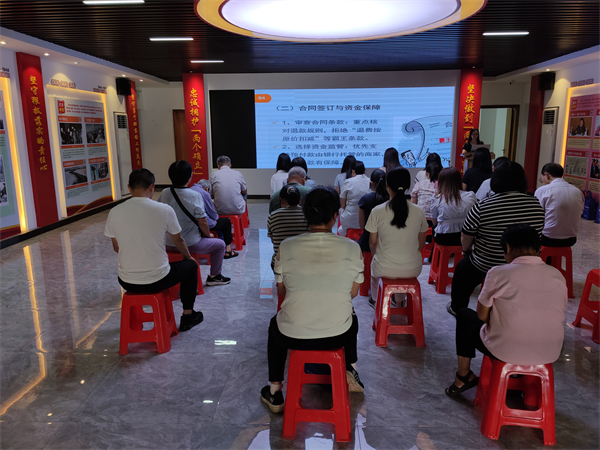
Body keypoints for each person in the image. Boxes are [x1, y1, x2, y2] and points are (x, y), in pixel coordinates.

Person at [260, 187, 365, 413]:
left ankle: (275, 392)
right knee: (352, 315)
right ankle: (350, 368)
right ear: (335, 215)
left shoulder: (286, 246)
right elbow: (353, 293)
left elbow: (282, 290)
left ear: (305, 214)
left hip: (292, 336)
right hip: (338, 334)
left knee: (274, 325)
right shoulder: (352, 247)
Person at [445, 224, 567, 397]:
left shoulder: (498, 273)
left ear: (507, 248)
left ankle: (463, 376)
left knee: (464, 315)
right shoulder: (557, 275)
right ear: (538, 248)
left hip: (506, 350)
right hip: (551, 350)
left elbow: (482, 316)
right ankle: (522, 380)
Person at [104, 169, 203, 332]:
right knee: (191, 267)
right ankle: (188, 315)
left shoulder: (115, 212)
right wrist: (187, 257)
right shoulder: (164, 210)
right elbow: (178, 240)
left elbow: (116, 247)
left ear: (129, 188)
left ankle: (136, 324)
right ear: (152, 187)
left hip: (126, 281)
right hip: (158, 279)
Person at [448, 161, 545, 316]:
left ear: (495, 180)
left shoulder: (483, 206)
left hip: (487, 263)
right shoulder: (536, 205)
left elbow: (466, 235)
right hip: (526, 265)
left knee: (462, 269)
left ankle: (458, 308)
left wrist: (466, 251)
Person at [158, 161, 231, 286]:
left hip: (168, 243)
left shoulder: (165, 192)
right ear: (190, 176)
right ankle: (214, 277)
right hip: (190, 243)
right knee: (220, 245)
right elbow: (202, 222)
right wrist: (208, 234)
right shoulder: (195, 195)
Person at [365, 167, 428, 307]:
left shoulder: (377, 211)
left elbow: (373, 243)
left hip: (384, 268)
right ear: (408, 186)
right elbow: (421, 244)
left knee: (374, 269)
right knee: (399, 269)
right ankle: (399, 301)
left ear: (387, 185)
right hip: (413, 269)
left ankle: (375, 300)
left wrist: (380, 257)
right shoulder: (419, 211)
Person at [534, 163, 585, 247]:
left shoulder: (542, 190)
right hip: (571, 239)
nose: (542, 181)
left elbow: (537, 215)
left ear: (546, 175)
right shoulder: (577, 191)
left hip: (547, 238)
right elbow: (581, 212)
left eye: (541, 178)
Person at [191, 179, 238, 259]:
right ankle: (228, 250)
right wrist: (216, 217)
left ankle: (220, 241)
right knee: (226, 222)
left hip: (191, 223)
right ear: (207, 188)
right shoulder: (205, 194)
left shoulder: (190, 190)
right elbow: (211, 212)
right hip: (203, 223)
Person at [430, 167, 477, 247]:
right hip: (467, 237)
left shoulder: (437, 198)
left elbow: (435, 222)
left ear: (441, 182)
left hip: (444, 238)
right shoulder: (471, 196)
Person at [267, 184, 309, 270]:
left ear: (281, 200)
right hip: (304, 263)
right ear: (300, 200)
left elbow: (273, 240)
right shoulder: (308, 215)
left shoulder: (273, 216)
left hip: (281, 264)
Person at [357, 169, 388, 254]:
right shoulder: (391, 199)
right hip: (388, 241)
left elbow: (362, 225)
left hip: (368, 242)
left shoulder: (365, 200)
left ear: (371, 183)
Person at [339, 161, 371, 236]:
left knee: (341, 228)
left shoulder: (348, 182)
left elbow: (342, 204)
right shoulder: (370, 181)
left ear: (353, 171)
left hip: (349, 219)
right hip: (367, 219)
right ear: (364, 171)